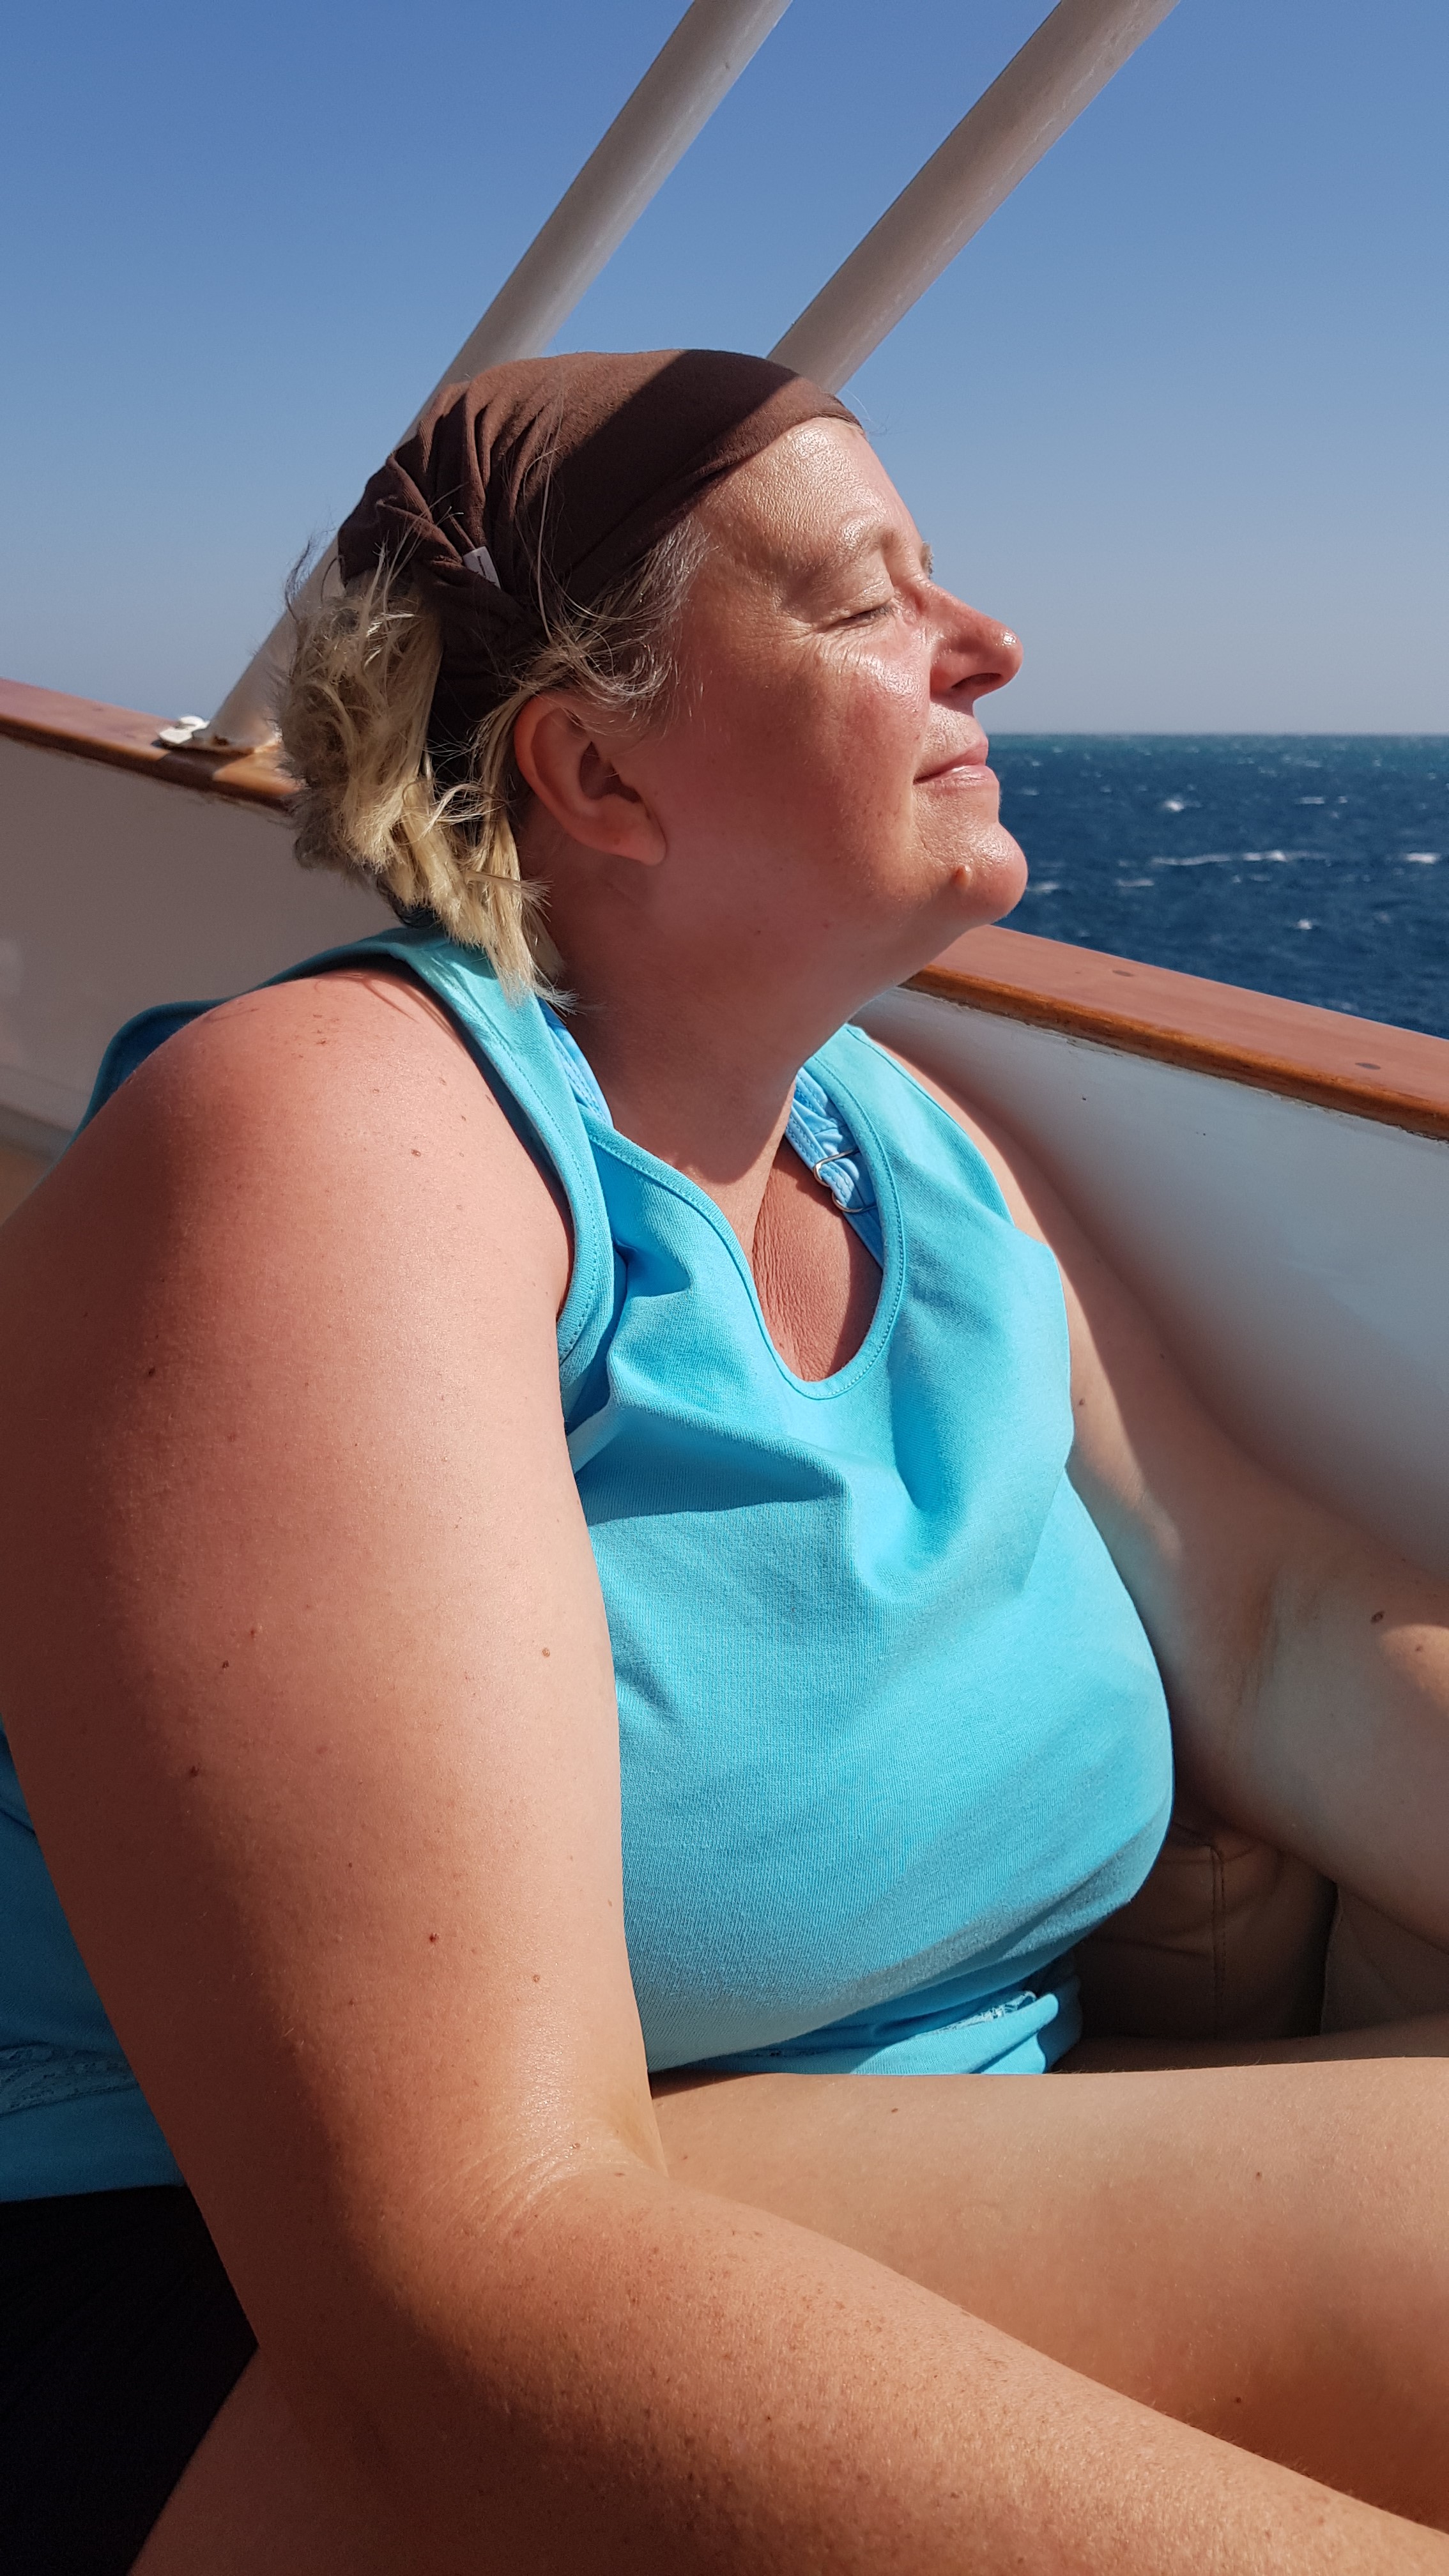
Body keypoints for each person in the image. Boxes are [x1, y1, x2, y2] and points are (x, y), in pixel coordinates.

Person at [0, 348, 1446, 2575]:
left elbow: (1270, 1626)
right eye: (869, 600)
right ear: (596, 768)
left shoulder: (904, 1141)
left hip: (812, 2186)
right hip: (246, 2322)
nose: (989, 643)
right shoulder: (330, 1144)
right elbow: (457, 2275)